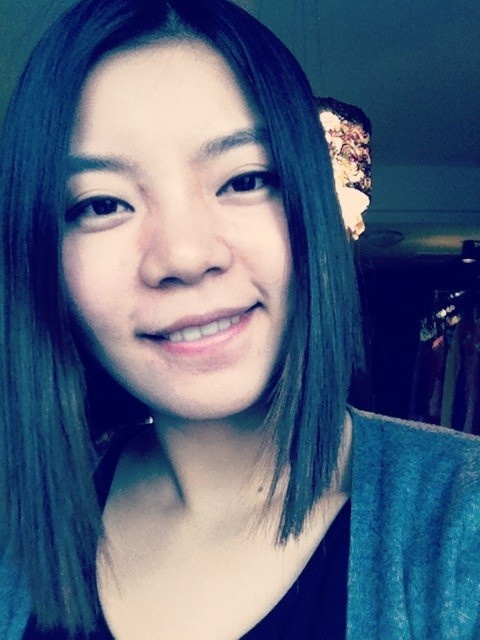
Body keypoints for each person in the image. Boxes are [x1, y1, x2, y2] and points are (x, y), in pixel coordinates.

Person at [0, 0, 478, 638]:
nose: (184, 256)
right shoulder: (18, 544)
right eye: (102, 203)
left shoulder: (460, 522)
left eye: (245, 179)